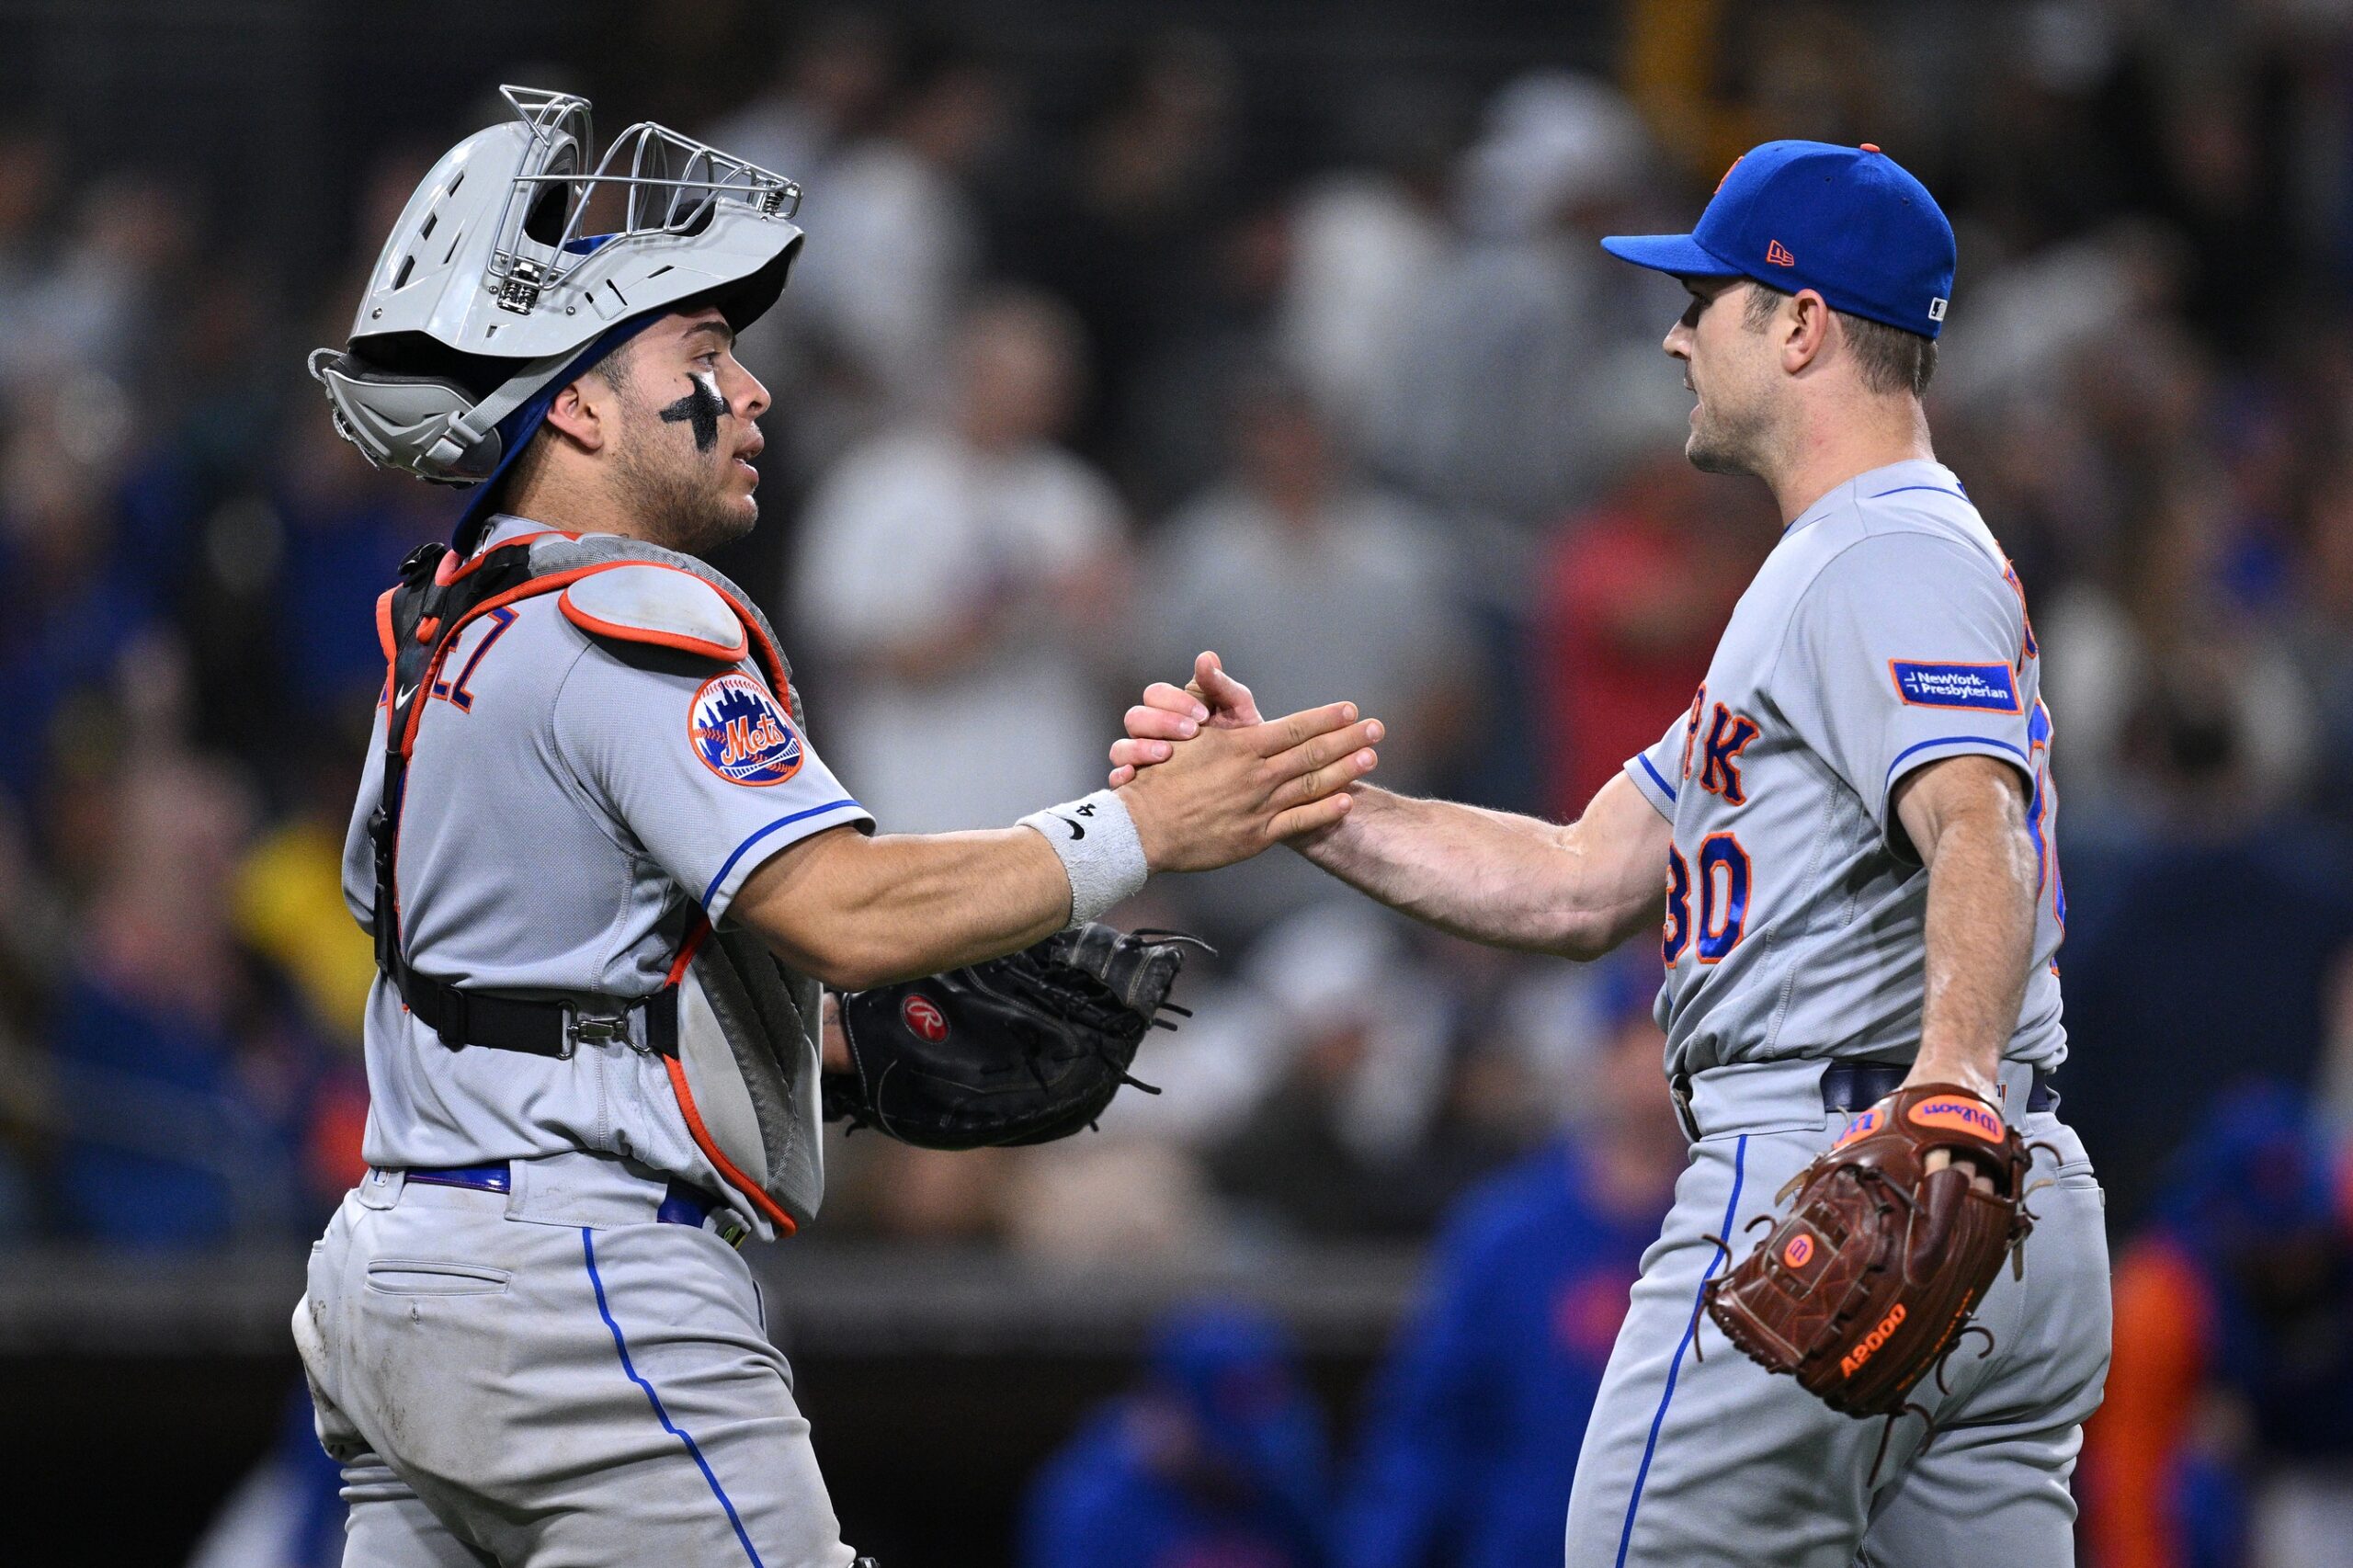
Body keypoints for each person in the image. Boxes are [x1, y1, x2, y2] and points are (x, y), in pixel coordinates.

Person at [293, 88, 1381, 1568]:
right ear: (577, 401)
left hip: (395, 1280)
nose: (749, 394)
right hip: (579, 1293)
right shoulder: (630, 607)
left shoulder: (450, 630)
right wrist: (1138, 827)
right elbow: (841, 913)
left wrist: (827, 1060)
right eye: (704, 351)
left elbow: (522, 990)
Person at [1114, 141, 2112, 1565]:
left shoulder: (1883, 553)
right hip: (1984, 1191)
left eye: (1705, 296)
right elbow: (1583, 874)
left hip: (1855, 1153)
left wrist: (1947, 1085)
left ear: (1801, 323)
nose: (1673, 330)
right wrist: (1283, 794)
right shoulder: (1833, 574)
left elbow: (1979, 818)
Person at [1335, 965, 1683, 1568]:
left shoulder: (1747, 1230)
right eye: (1636, 1037)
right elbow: (1427, 1434)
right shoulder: (1509, 1234)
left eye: (1671, 1038)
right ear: (1599, 1053)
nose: (1651, 1066)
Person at [1021, 1304, 1331, 1568]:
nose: (1238, 1468)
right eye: (1222, 1447)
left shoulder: (1285, 1483)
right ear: (1169, 1409)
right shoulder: (1095, 1505)